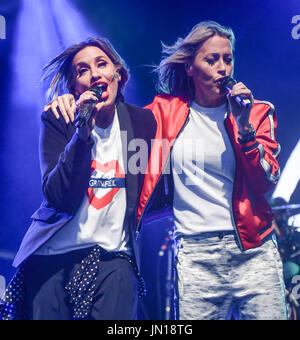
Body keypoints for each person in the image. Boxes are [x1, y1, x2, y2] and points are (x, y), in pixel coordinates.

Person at [38, 21, 287, 320]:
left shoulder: (258, 113)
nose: (223, 68)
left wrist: (244, 127)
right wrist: (70, 99)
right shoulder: (164, 112)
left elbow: (266, 182)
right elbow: (114, 111)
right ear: (190, 67)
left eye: (228, 58)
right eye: (211, 59)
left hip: (253, 252)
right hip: (196, 257)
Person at [0, 37, 156, 320]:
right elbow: (58, 196)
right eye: (82, 70)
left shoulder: (142, 123)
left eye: (101, 64)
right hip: (53, 255)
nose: (95, 74)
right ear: (74, 86)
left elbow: (149, 188)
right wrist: (81, 133)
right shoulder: (61, 119)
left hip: (113, 257)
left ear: (117, 74)